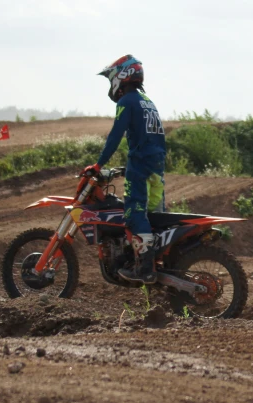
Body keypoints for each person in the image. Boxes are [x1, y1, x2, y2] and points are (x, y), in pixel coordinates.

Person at [81, 54, 167, 285]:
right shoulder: (147, 101)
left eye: (112, 79)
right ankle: (159, 264)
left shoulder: (126, 102)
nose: (112, 85)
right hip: (157, 166)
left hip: (140, 166)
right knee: (155, 217)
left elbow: (115, 136)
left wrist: (98, 165)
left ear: (122, 77)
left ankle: (145, 270)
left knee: (133, 215)